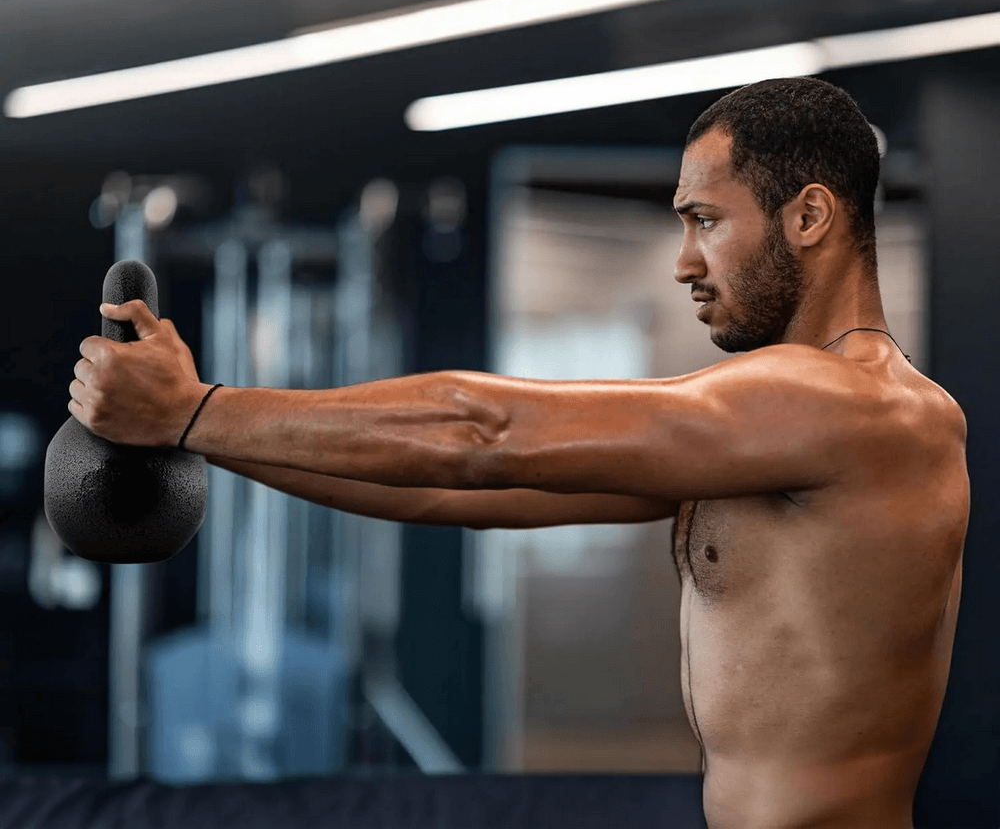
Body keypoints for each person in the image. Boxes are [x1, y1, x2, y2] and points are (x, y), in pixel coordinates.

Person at [68, 77, 968, 829]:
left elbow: (482, 435)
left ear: (808, 214)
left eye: (705, 220)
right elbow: (456, 495)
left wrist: (195, 410)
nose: (685, 262)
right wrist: (194, 433)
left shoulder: (860, 409)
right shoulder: (772, 432)